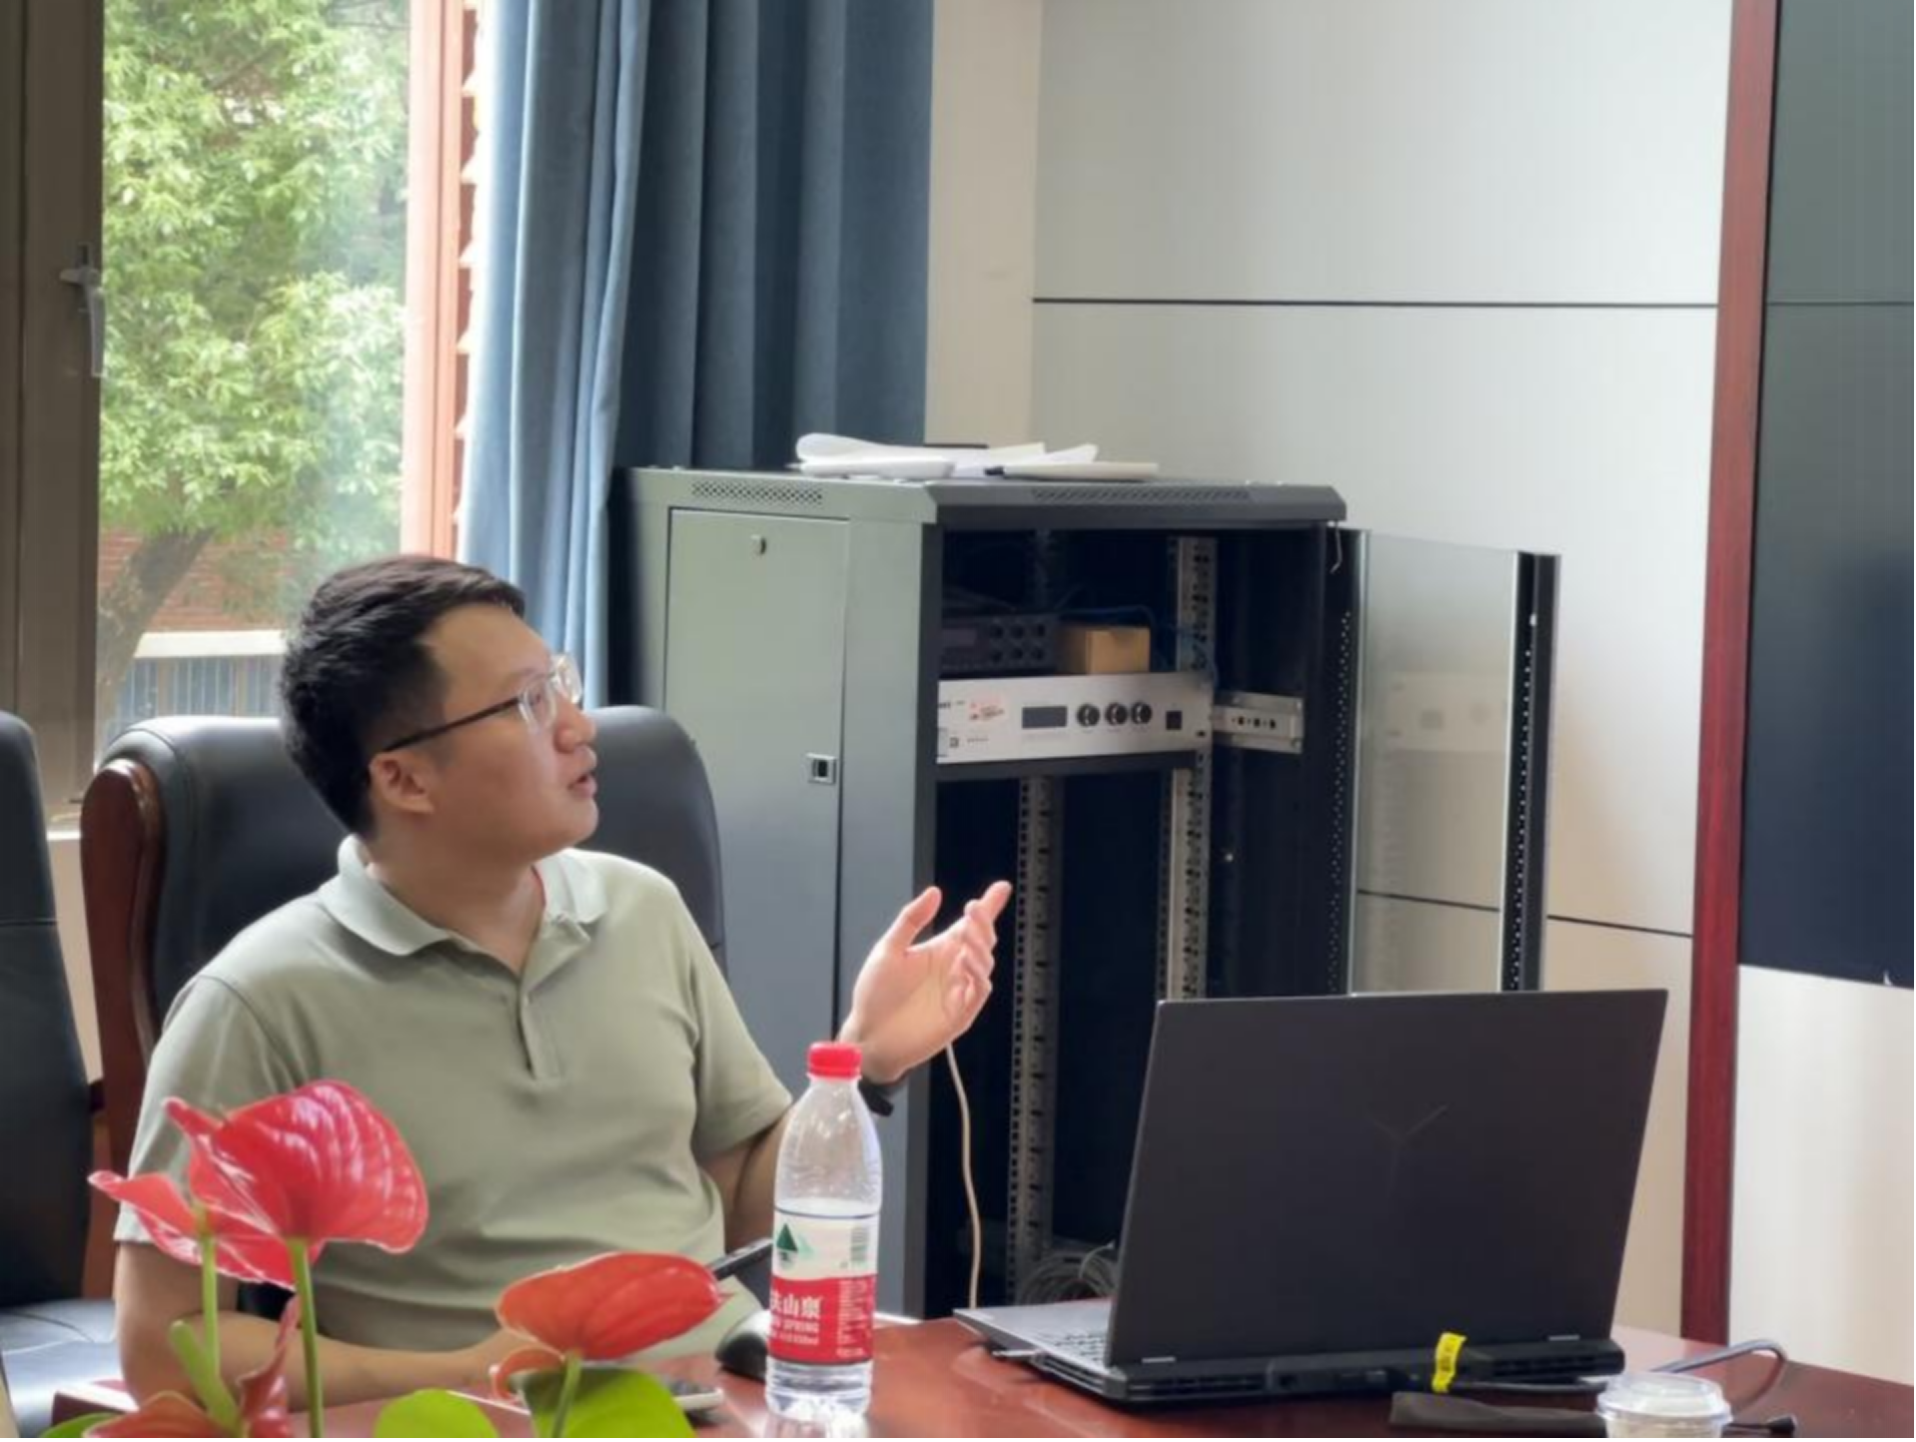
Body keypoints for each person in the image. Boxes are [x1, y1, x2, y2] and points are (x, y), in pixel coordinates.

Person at [112, 556, 1012, 1407]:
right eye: (528, 703)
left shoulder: (643, 909)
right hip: (489, 1419)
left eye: (561, 685)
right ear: (404, 778)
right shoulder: (260, 1001)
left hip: (728, 1392)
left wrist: (863, 1059)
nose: (579, 727)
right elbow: (163, 1343)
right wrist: (464, 1374)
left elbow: (742, 1206)